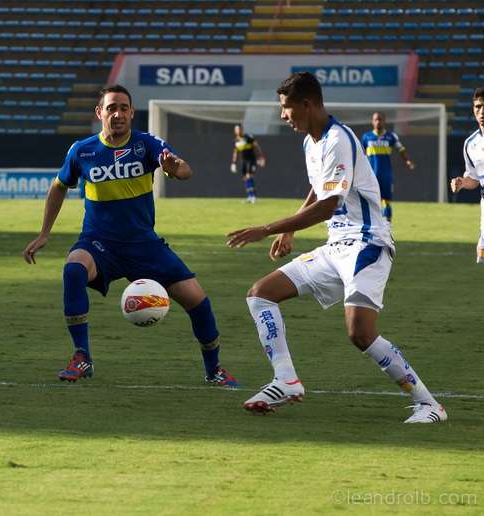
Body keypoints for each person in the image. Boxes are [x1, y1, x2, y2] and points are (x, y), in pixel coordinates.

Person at [226, 72, 447, 423]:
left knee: (360, 333)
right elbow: (319, 188)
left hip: (367, 242)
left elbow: (329, 204)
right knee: (260, 294)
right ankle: (286, 379)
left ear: (307, 104)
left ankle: (429, 405)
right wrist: (292, 229)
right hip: (336, 244)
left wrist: (268, 229)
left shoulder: (338, 139)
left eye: (286, 108)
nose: (284, 116)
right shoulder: (309, 142)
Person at [23, 84, 238, 387]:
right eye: (112, 108)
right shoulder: (82, 151)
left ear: (132, 113)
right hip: (100, 245)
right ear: (100, 113)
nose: (119, 114)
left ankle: (214, 370)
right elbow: (59, 186)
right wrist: (44, 233)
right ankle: (81, 357)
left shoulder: (147, 144)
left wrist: (174, 168)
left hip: (144, 246)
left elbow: (184, 170)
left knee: (199, 302)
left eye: (124, 108)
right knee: (73, 270)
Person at [449, 87, 484, 263]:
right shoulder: (470, 144)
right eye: (478, 107)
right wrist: (462, 183)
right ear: (473, 110)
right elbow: (475, 181)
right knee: (482, 254)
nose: (482, 111)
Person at [360, 112, 415, 222]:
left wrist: (408, 161)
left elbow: (401, 149)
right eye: (376, 119)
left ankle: (387, 224)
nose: (378, 122)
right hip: (371, 175)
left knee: (386, 199)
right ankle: (371, 223)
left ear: (384, 121)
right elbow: (360, 154)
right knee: (371, 199)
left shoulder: (391, 136)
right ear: (372, 121)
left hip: (386, 174)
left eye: (380, 119)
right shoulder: (366, 137)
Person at [230, 124, 266, 203]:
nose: (238, 131)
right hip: (243, 161)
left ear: (242, 130)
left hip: (251, 160)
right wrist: (233, 163)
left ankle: (253, 196)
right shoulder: (236, 140)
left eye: (239, 129)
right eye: (236, 129)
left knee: (249, 176)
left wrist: (261, 157)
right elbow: (235, 152)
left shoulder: (248, 137)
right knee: (245, 178)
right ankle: (250, 196)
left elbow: (257, 147)